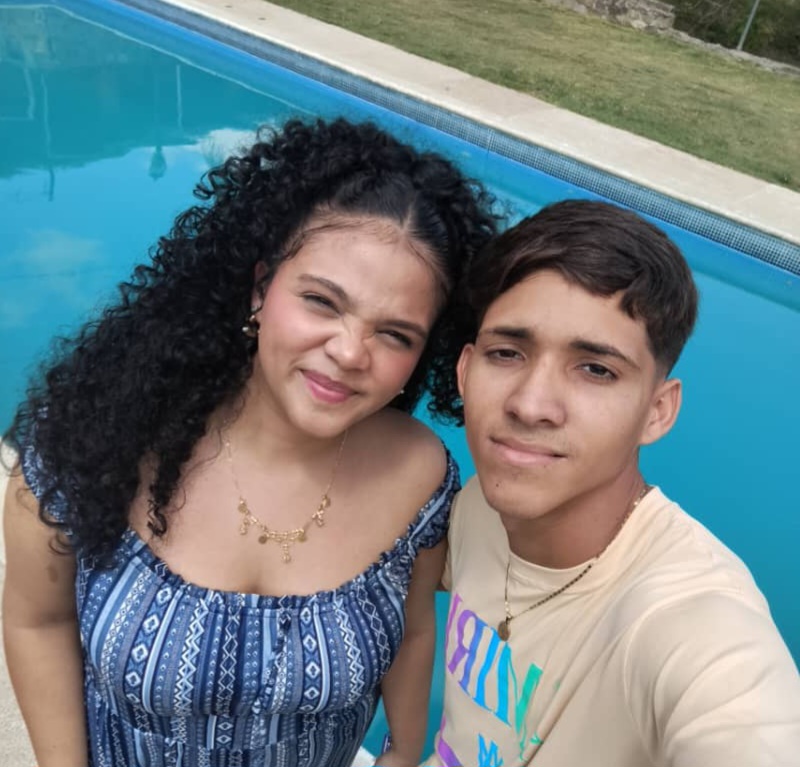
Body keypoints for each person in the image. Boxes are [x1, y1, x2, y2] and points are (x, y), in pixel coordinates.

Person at [1, 117, 498, 767]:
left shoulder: (418, 475)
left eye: (395, 334)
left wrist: (403, 750)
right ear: (261, 287)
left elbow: (413, 628)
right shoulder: (99, 435)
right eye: (322, 302)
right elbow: (38, 619)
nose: (351, 352)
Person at [423, 200, 800, 766]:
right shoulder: (473, 509)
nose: (530, 404)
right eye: (507, 353)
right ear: (465, 370)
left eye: (596, 369)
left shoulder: (691, 625)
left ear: (657, 411)